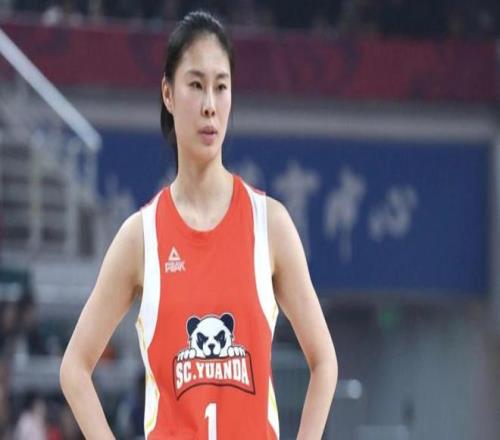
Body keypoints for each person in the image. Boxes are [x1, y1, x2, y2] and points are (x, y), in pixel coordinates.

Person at [60, 9, 337, 439]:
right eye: (195, 85)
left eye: (221, 87)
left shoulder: (270, 225)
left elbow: (324, 362)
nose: (210, 104)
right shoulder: (141, 236)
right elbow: (74, 369)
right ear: (168, 94)